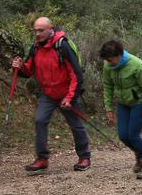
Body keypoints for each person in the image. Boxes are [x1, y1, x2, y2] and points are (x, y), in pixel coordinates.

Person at [11, 17, 91, 174]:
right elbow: (27, 71)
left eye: (41, 30)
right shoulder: (35, 48)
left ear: (50, 29)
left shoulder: (62, 46)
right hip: (48, 94)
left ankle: (84, 157)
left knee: (75, 125)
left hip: (66, 93)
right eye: (35, 30)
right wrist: (19, 67)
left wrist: (70, 97)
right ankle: (42, 159)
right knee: (40, 120)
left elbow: (76, 74)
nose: (37, 34)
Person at [100, 39, 142, 179]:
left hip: (138, 102)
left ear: (119, 54)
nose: (109, 63)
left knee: (133, 135)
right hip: (122, 104)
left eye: (111, 60)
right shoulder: (107, 65)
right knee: (123, 136)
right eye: (107, 60)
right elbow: (107, 86)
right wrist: (108, 109)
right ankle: (141, 154)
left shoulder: (136, 65)